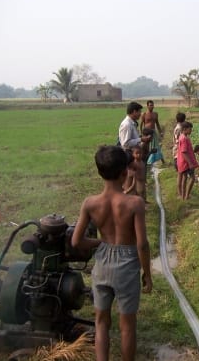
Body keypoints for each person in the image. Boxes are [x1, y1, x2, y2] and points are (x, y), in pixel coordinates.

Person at [71, 145, 152, 361]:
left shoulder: (90, 203)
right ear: (125, 172)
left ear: (99, 172)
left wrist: (100, 242)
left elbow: (76, 241)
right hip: (127, 265)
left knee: (101, 322)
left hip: (102, 264)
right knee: (127, 325)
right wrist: (147, 274)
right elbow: (142, 244)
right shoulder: (135, 203)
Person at [177, 121, 198, 200]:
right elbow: (184, 152)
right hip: (186, 163)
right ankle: (186, 196)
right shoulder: (184, 139)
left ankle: (183, 196)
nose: (191, 131)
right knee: (192, 178)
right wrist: (190, 163)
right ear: (185, 129)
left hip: (182, 162)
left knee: (185, 178)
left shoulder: (181, 137)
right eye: (190, 129)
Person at [140, 100, 165, 166]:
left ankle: (163, 161)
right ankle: (147, 161)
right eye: (150, 105)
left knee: (157, 146)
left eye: (153, 105)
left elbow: (157, 123)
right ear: (147, 106)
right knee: (147, 147)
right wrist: (141, 134)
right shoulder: (144, 114)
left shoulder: (155, 114)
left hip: (153, 132)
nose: (152, 106)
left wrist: (160, 132)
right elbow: (141, 124)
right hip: (146, 132)